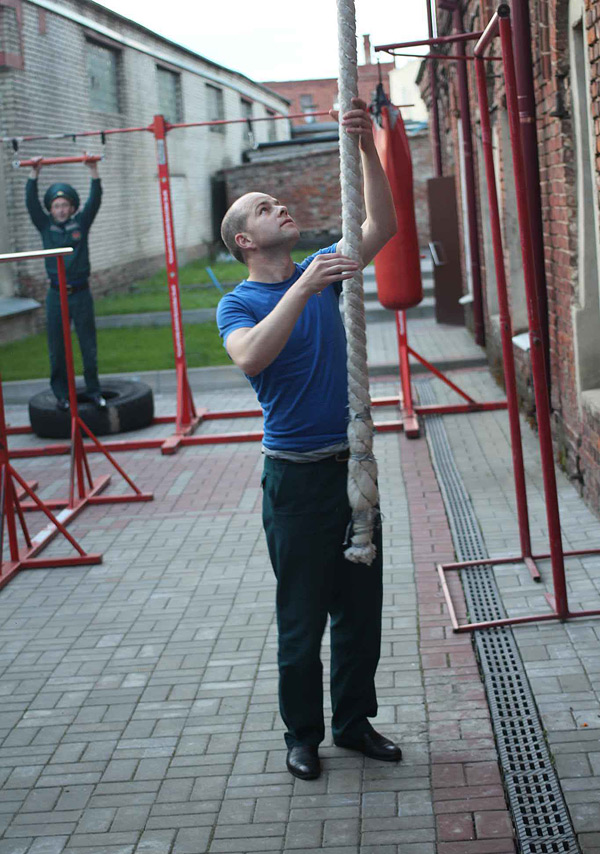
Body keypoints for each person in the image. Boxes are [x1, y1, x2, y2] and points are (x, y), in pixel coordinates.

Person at [216, 99, 400, 780]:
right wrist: (302, 290)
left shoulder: (323, 267)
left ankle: (354, 725)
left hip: (351, 471)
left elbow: (383, 225)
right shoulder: (240, 302)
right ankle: (302, 736)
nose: (281, 207)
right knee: (301, 619)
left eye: (279, 202)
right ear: (245, 240)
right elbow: (250, 357)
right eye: (265, 208)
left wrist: (366, 149)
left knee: (359, 613)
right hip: (293, 480)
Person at [26, 157, 106, 411]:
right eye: (56, 206)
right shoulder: (45, 226)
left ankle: (94, 391)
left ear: (72, 208)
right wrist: (34, 174)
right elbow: (31, 204)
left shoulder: (80, 223)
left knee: (88, 346)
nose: (60, 210)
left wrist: (93, 170)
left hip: (81, 294)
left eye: (65, 205)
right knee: (57, 347)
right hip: (56, 295)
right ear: (50, 209)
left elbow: (94, 202)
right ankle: (61, 395)